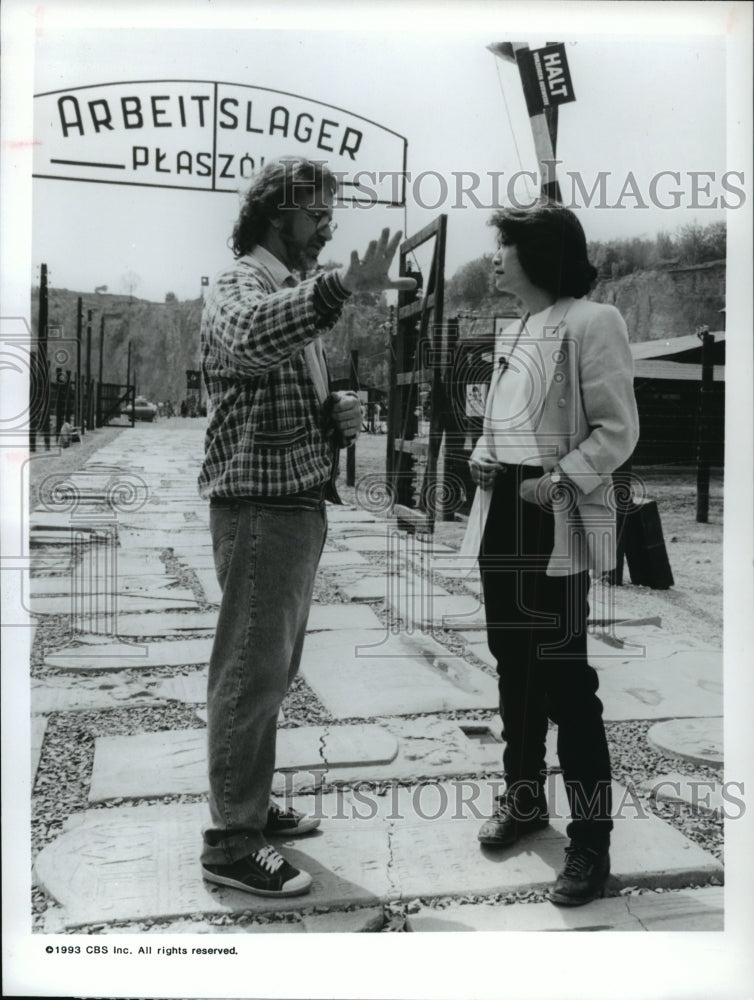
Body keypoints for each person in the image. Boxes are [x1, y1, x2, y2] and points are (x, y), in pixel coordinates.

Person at [197, 157, 414, 899]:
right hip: (259, 507)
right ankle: (231, 842)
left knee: (273, 671)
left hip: (292, 505)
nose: (328, 225)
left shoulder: (286, 290)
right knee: (250, 674)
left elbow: (279, 392)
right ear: (273, 214)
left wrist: (337, 415)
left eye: (331, 212)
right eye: (315, 212)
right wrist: (339, 288)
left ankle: (249, 809)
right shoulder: (238, 285)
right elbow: (252, 339)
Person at [461, 200, 639, 906]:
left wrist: (557, 480)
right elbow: (502, 423)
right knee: (513, 663)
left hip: (550, 513)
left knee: (565, 677)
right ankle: (524, 797)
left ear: (538, 253)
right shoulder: (519, 325)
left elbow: (616, 429)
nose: (495, 258)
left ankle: (590, 845)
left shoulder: (596, 321)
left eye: (504, 247)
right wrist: (481, 454)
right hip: (502, 510)